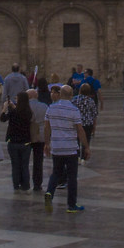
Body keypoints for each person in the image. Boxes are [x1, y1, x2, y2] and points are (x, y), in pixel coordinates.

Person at [43, 82, 88, 212]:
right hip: (71, 147)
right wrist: (86, 146)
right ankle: (71, 205)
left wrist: (47, 143)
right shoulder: (74, 110)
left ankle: (49, 193)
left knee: (56, 172)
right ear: (71, 95)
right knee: (72, 176)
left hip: (57, 146)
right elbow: (80, 130)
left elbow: (47, 127)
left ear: (60, 94)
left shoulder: (51, 108)